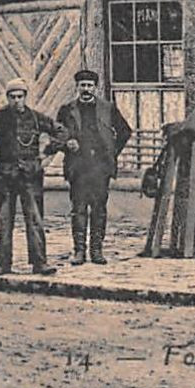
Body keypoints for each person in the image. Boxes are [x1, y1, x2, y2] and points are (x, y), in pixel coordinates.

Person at [0, 79, 70, 276]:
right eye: (12, 97)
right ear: (7, 98)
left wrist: (47, 151)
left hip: (31, 175)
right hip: (6, 174)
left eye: (20, 96)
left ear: (25, 97)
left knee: (35, 218)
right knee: (5, 219)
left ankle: (39, 263)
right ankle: (3, 264)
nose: (17, 101)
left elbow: (61, 132)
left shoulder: (35, 118)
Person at [51, 70, 131, 265]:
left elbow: (125, 131)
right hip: (77, 167)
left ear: (96, 88)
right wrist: (65, 144)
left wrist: (112, 153)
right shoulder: (66, 110)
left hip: (99, 168)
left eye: (89, 85)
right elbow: (55, 136)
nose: (86, 89)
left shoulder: (108, 108)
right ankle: (79, 251)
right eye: (82, 85)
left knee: (99, 209)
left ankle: (97, 250)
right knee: (78, 209)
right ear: (76, 87)